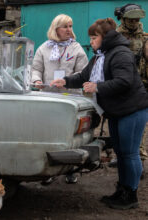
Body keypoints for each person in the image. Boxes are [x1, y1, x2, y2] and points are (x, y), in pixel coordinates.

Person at [51, 18, 148, 210]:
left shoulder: (121, 54)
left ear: (105, 37)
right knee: (121, 153)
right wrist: (65, 81)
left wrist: (98, 87)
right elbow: (83, 77)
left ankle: (131, 195)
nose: (92, 41)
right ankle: (122, 190)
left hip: (132, 110)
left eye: (94, 37)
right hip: (117, 112)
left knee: (129, 153)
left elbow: (125, 81)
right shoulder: (100, 56)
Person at [31, 14, 88, 184]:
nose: (69, 30)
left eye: (71, 26)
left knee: (69, 135)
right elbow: (36, 69)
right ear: (56, 29)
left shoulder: (76, 49)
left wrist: (68, 82)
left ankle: (70, 170)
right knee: (48, 134)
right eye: (65, 27)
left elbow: (83, 73)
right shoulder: (44, 48)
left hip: (70, 99)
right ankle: (48, 172)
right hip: (48, 98)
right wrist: (37, 81)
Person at [114, 3, 148, 179]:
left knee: (138, 128)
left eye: (137, 19)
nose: (134, 22)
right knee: (120, 124)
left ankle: (138, 161)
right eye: (131, 19)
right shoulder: (116, 36)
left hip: (140, 87)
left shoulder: (144, 37)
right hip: (121, 86)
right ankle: (123, 157)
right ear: (123, 19)